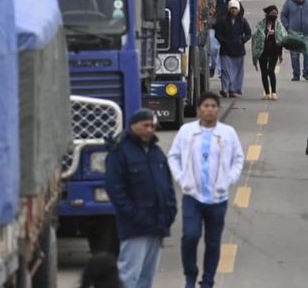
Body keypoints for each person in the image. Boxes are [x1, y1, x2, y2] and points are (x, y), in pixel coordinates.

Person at [168, 93, 245, 288]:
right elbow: (173, 156)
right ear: (198, 109)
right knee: (190, 236)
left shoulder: (227, 133)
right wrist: (182, 178)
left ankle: (208, 280)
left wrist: (229, 179)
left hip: (217, 198)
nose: (209, 109)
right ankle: (190, 276)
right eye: (206, 106)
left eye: (213, 106)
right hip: (192, 196)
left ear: (218, 110)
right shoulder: (187, 131)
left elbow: (238, 158)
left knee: (212, 242)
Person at [104, 109, 177, 288]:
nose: (150, 129)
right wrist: (133, 214)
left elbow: (167, 185)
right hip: (135, 227)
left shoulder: (156, 152)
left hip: (157, 225)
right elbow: (115, 189)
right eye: (145, 125)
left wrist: (170, 211)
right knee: (129, 276)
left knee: (147, 278)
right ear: (133, 126)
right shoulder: (120, 152)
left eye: (152, 126)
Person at [215, 0, 252, 98]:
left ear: (238, 10)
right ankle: (225, 89)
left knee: (237, 72)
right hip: (226, 50)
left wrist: (242, 40)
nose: (233, 10)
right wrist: (223, 41)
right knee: (226, 70)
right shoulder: (222, 21)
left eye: (235, 8)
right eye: (231, 8)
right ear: (229, 9)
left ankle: (233, 90)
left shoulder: (243, 21)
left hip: (238, 50)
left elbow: (249, 33)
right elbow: (217, 34)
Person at [281, 0, 308, 82]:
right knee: (294, 55)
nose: (301, 0)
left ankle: (306, 73)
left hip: (306, 33)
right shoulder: (289, 3)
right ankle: (296, 74)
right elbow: (283, 15)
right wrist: (287, 26)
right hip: (293, 33)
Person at [252, 5, 284, 100]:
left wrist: (280, 55)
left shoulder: (278, 26)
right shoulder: (261, 25)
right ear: (267, 14)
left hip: (274, 51)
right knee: (264, 72)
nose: (274, 15)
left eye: (276, 14)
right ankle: (266, 93)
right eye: (272, 14)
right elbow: (256, 39)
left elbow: (280, 40)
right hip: (263, 52)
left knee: (271, 71)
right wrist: (256, 53)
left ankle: (273, 92)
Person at [212, 0, 242, 78]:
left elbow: (240, 13)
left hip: (228, 29)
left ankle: (222, 72)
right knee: (214, 48)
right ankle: (212, 66)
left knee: (225, 51)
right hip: (215, 28)